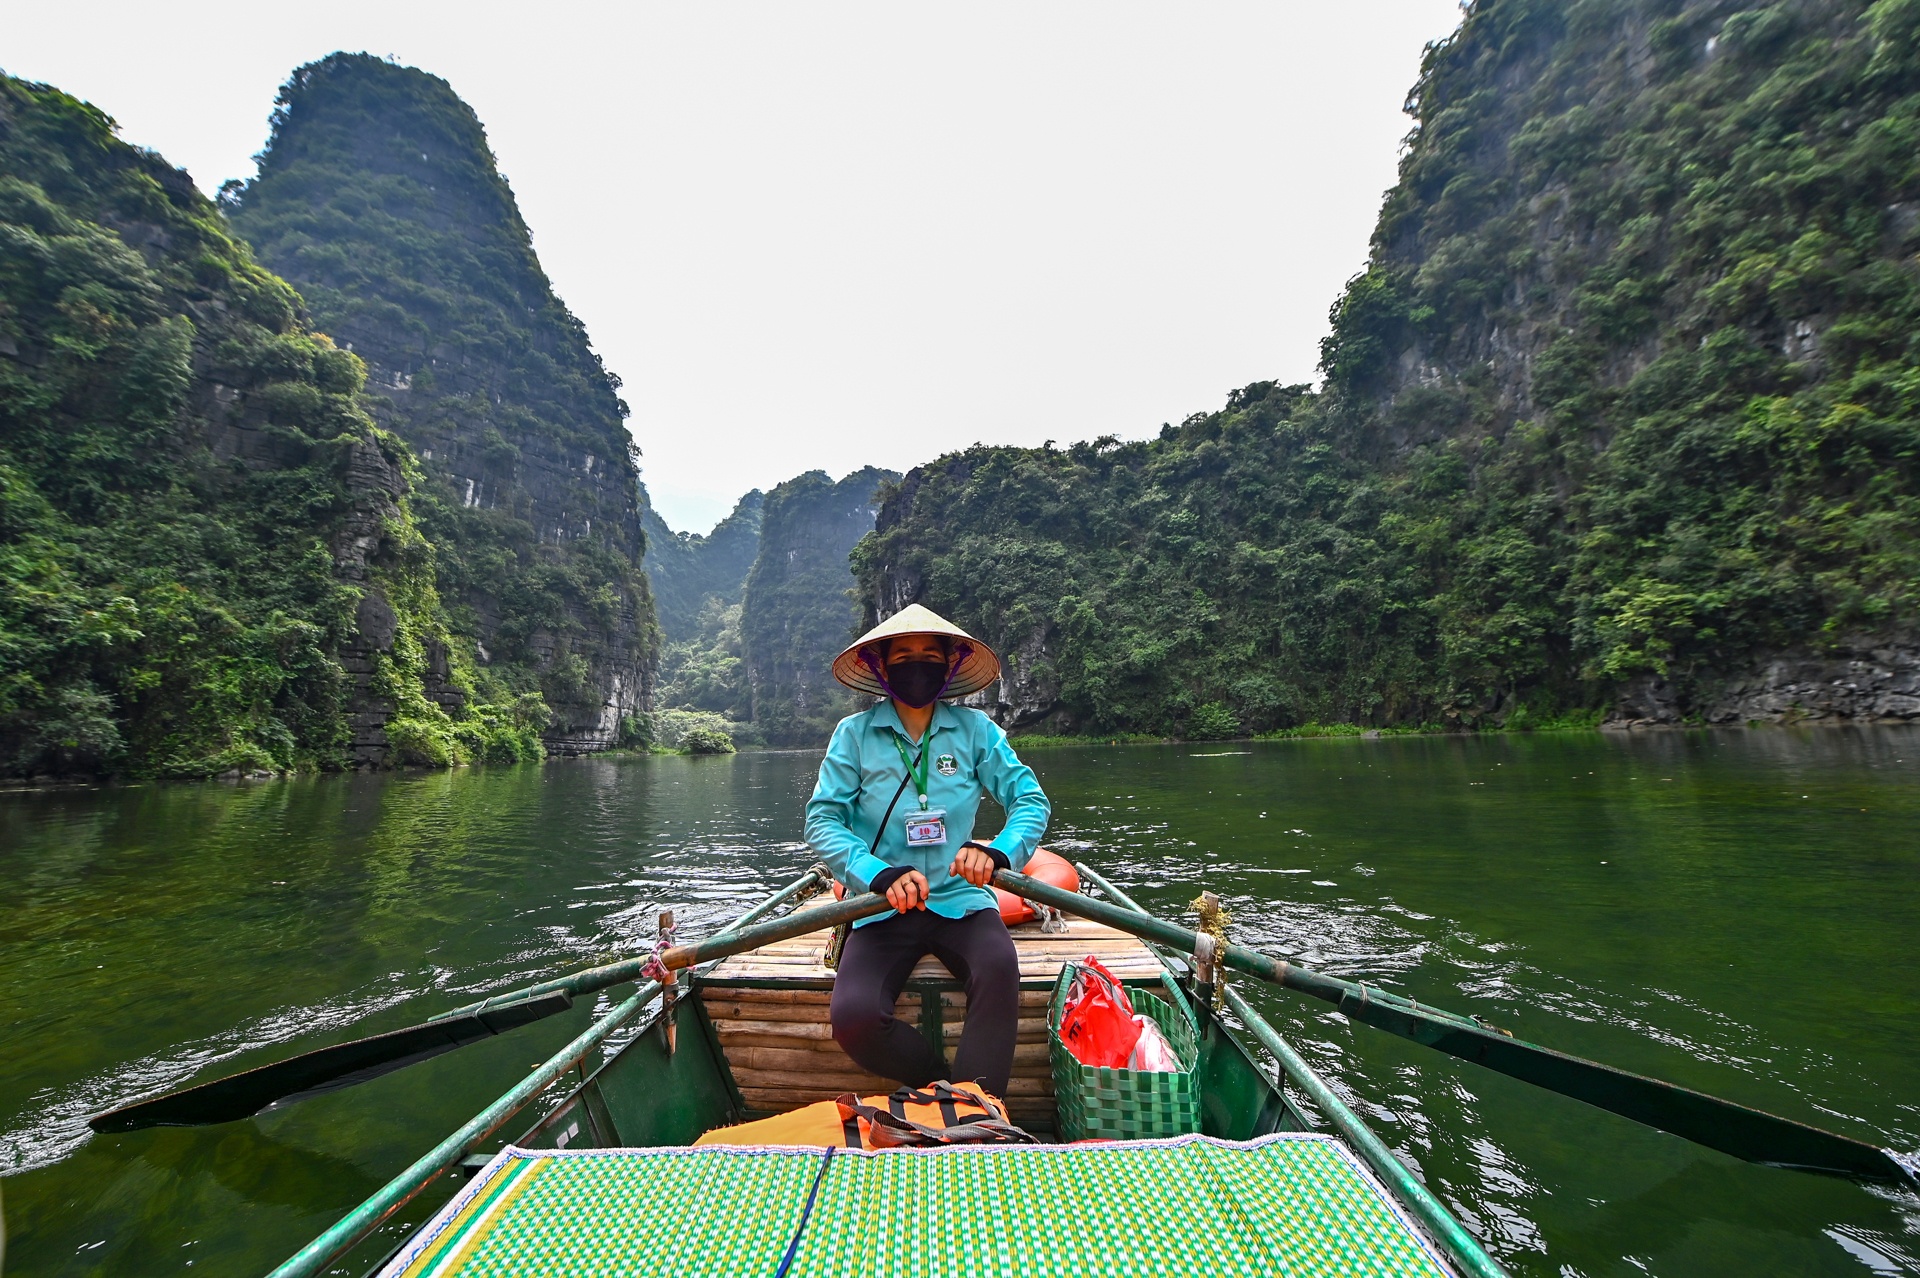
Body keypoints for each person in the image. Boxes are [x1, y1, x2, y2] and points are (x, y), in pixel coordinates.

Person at [805, 603, 1050, 1099]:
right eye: (903, 655)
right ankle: (947, 1089)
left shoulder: (976, 731)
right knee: (853, 1021)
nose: (916, 664)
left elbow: (1029, 799)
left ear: (949, 665)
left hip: (962, 900)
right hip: (881, 907)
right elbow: (823, 819)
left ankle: (976, 1115)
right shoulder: (853, 736)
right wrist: (876, 874)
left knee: (999, 971)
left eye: (928, 654)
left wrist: (999, 852)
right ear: (881, 666)